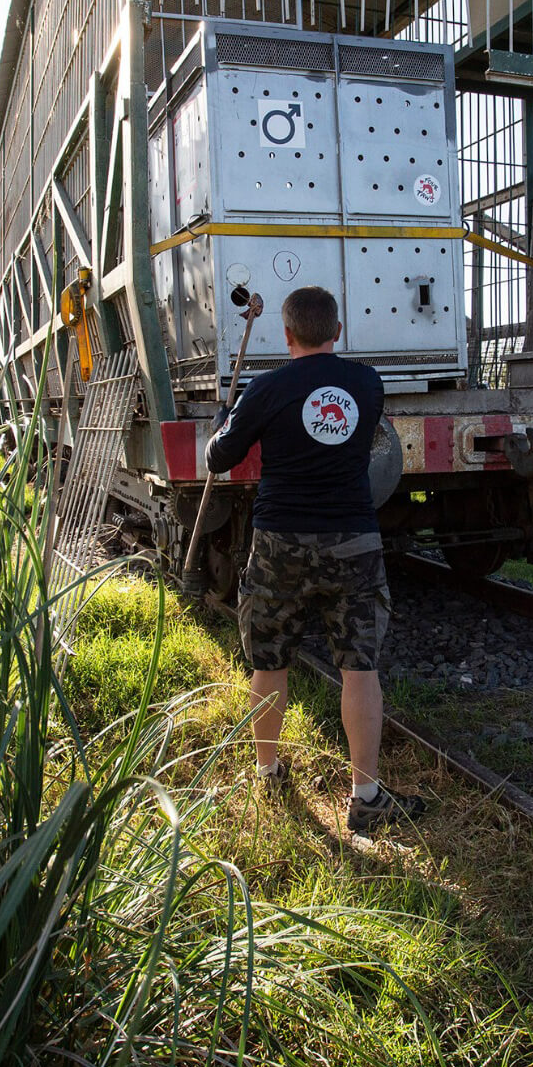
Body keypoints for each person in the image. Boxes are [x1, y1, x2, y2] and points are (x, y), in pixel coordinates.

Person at [204, 284, 426, 832]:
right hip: (353, 536)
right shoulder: (367, 384)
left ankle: (267, 773)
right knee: (359, 666)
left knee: (269, 660)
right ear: (337, 333)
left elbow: (219, 457)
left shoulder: (267, 387)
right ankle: (366, 797)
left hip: (280, 540)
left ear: (285, 335)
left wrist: (225, 419)